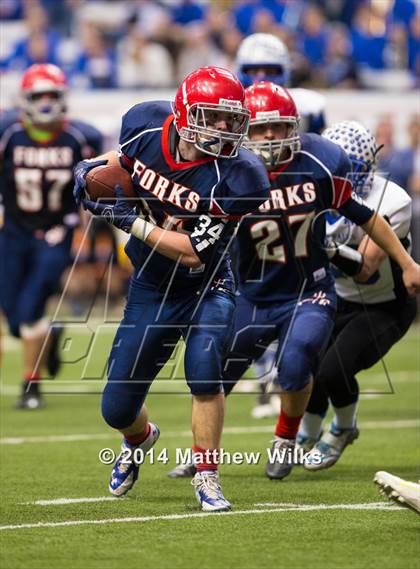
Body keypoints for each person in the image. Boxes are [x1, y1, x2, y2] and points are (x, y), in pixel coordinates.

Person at [167, 82, 420, 481]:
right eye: (261, 128)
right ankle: (202, 452)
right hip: (251, 293)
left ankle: (286, 438)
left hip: (308, 290)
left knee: (296, 363)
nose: (269, 137)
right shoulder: (227, 173)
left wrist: (406, 263)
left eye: (279, 127)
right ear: (243, 130)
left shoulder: (317, 165)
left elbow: (366, 217)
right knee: (214, 373)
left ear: (294, 128)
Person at [72, 66, 271, 512]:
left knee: (204, 372)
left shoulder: (241, 176)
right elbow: (123, 160)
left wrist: (127, 220)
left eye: (231, 119)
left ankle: (207, 478)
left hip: (208, 284)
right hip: (152, 284)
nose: (224, 129)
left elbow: (192, 252)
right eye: (212, 117)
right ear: (183, 114)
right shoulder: (144, 123)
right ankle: (139, 439)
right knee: (117, 410)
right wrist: (90, 170)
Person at [297, 121, 417, 470]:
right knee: (304, 361)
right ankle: (307, 431)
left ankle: (343, 428)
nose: (341, 180)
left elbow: (364, 267)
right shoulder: (308, 191)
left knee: (334, 370)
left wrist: (321, 246)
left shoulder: (390, 200)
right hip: (335, 298)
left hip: (382, 306)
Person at [0, 63, 103, 410]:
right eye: (39, 96)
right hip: (13, 231)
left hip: (57, 232)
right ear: (26, 99)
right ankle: (51, 334)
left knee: (30, 309)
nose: (45, 102)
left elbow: (93, 187)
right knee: (14, 317)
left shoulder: (80, 138)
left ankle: (31, 385)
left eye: (51, 95)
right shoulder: (8, 132)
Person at [236, 32, 327, 419]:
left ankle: (296, 377)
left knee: (300, 300)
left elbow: (320, 165)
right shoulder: (230, 108)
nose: (260, 77)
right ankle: (263, 379)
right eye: (252, 70)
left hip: (297, 209)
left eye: (269, 70)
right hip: (249, 216)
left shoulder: (307, 106)